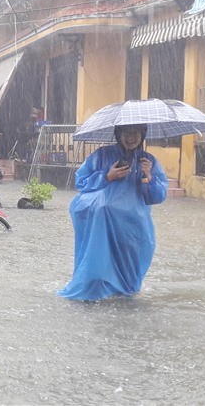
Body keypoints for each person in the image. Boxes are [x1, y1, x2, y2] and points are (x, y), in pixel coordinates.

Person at [57, 124, 168, 301]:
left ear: (142, 135)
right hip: (104, 222)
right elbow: (81, 182)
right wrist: (107, 177)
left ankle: (125, 299)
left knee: (131, 266)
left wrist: (148, 176)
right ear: (118, 134)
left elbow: (157, 197)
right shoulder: (102, 155)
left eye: (135, 133)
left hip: (134, 224)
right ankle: (95, 293)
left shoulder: (148, 161)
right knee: (99, 258)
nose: (131, 138)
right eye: (126, 133)